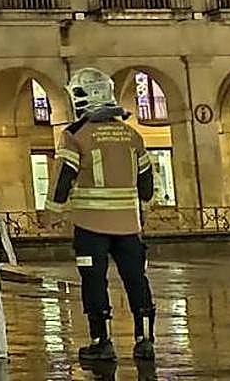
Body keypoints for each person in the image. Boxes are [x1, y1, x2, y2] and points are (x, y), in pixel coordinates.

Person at [49, 67, 157, 365]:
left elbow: (63, 178)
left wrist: (53, 212)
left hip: (90, 224)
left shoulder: (75, 135)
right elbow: (147, 181)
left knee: (94, 280)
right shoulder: (131, 134)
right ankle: (145, 340)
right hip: (128, 224)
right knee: (136, 278)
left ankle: (102, 342)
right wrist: (141, 207)